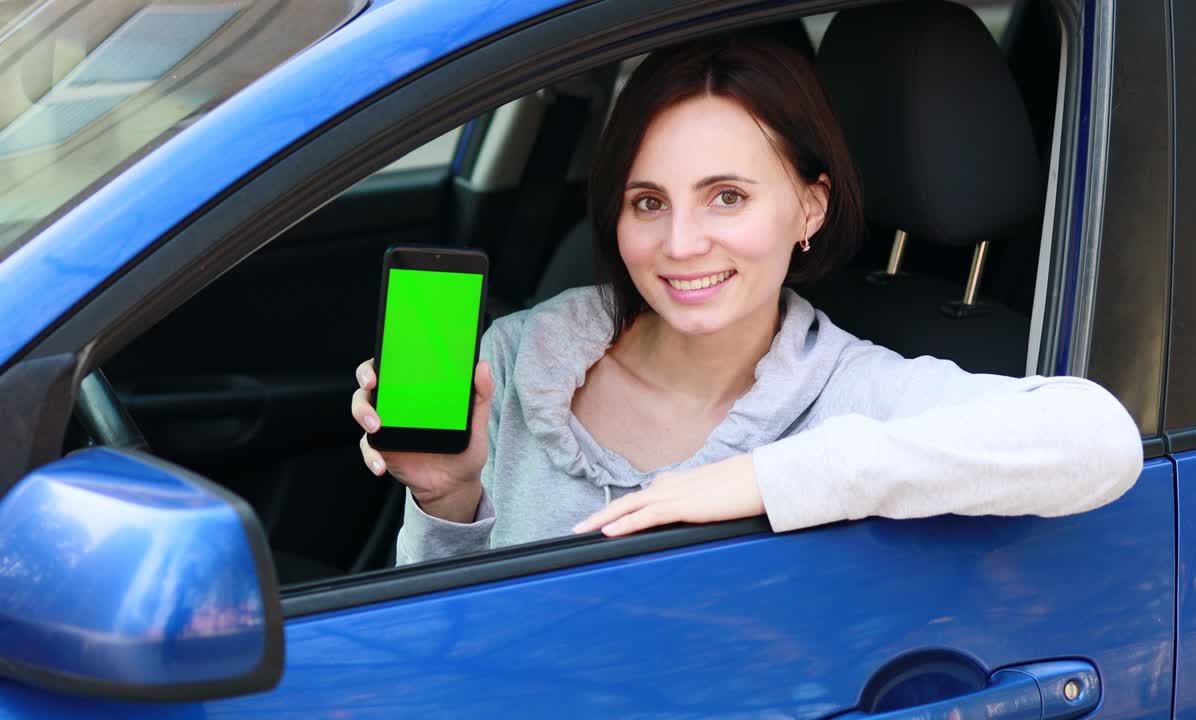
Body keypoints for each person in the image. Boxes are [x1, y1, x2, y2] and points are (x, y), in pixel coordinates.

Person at [350, 37, 1142, 566]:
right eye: (649, 202)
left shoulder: (852, 392)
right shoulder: (518, 356)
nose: (682, 244)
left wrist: (770, 479)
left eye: (726, 196)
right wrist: (448, 497)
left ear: (810, 208)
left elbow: (1100, 440)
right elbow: (442, 626)